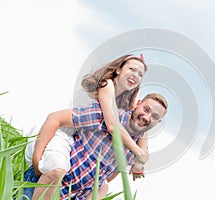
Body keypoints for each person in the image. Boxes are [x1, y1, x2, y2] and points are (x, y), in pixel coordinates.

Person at [31, 54, 150, 198]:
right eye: (131, 69)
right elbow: (112, 126)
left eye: (140, 74)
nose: (135, 75)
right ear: (118, 69)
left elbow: (143, 130)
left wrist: (140, 160)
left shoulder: (123, 102)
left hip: (78, 141)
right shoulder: (107, 84)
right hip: (61, 133)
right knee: (57, 169)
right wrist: (37, 159)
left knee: (102, 187)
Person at [24, 93, 168, 199]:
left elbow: (115, 171)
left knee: (103, 187)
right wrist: (37, 159)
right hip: (43, 185)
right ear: (138, 103)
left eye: (155, 117)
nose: (147, 117)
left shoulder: (138, 150)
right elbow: (56, 118)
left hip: (72, 196)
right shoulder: (107, 116)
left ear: (158, 122)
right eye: (146, 109)